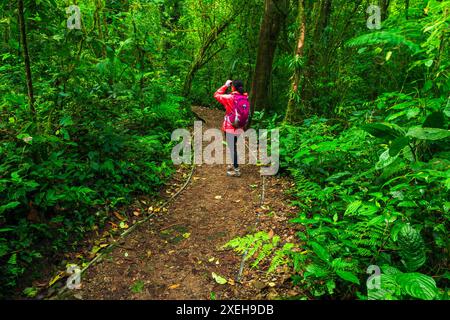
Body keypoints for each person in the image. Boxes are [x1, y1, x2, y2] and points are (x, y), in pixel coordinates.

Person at [214, 79, 249, 177]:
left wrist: (225, 86)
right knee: (233, 146)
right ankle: (233, 164)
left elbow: (216, 94)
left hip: (230, 126)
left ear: (233, 87)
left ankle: (236, 170)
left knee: (232, 147)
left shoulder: (230, 97)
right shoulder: (245, 97)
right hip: (240, 126)